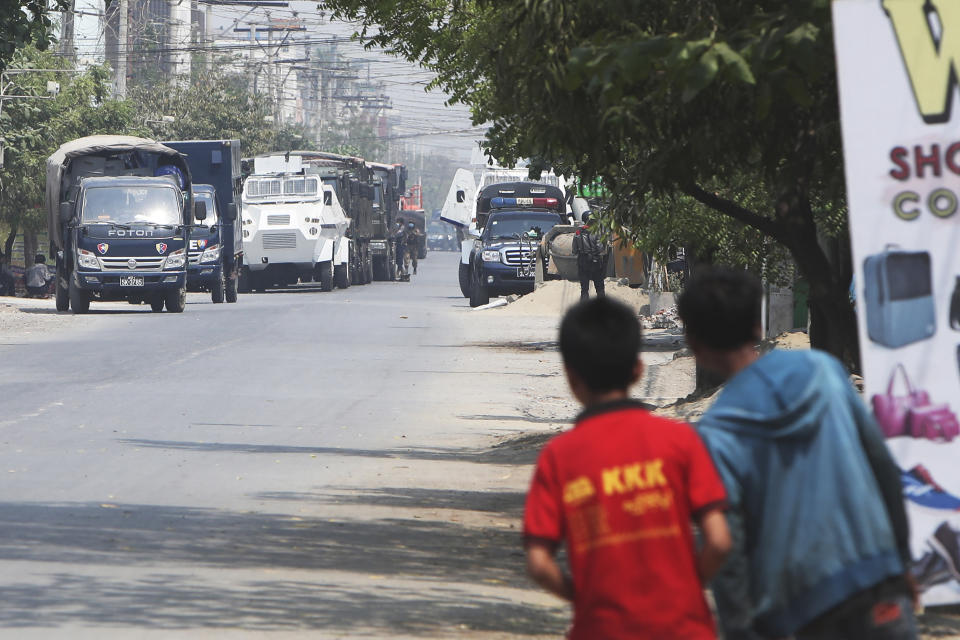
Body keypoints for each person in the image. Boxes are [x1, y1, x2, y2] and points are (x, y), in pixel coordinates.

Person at [677, 267, 916, 640]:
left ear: (694, 343)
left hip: (799, 608)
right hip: (877, 581)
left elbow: (730, 545)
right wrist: (900, 560)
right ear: (757, 327)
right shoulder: (824, 372)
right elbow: (882, 466)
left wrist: (741, 629)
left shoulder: (717, 434)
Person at [523, 296, 732, 639]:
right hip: (684, 627)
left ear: (572, 379)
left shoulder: (559, 457)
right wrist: (683, 588)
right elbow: (720, 542)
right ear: (638, 369)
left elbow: (539, 564)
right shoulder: (679, 441)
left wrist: (586, 598)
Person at [571, 212, 608, 301]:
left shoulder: (577, 233)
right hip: (595, 262)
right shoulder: (596, 233)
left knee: (584, 289)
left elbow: (574, 250)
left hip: (582, 262)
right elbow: (600, 249)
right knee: (599, 288)